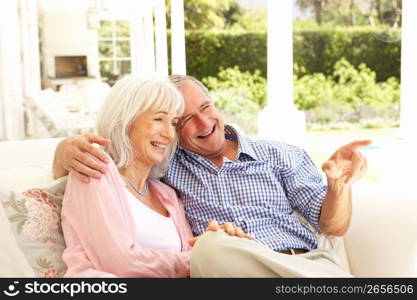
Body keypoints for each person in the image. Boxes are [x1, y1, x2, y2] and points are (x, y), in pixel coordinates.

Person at [54, 74, 370, 277]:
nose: (204, 124)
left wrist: (338, 188)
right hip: (229, 270)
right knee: (212, 249)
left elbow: (332, 226)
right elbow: (96, 176)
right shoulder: (165, 169)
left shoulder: (281, 155)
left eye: (206, 108)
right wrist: (64, 151)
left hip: (303, 265)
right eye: (185, 120)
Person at [60, 75, 251, 278]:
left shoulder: (166, 193)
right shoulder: (94, 172)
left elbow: (189, 258)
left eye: (173, 123)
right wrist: (203, 258)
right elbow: (120, 262)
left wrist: (216, 244)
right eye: (159, 119)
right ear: (125, 122)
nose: (169, 135)